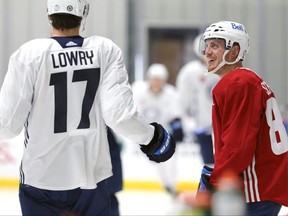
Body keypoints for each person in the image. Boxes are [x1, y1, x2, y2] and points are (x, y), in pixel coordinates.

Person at [0, 0, 176, 215]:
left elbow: (7, 125)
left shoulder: (28, 54)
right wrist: (152, 138)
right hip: (91, 178)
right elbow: (119, 116)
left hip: (41, 179)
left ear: (49, 14)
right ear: (83, 14)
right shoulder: (104, 50)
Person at [198, 20, 288, 215]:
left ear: (234, 51)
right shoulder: (244, 80)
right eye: (206, 45)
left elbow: (238, 145)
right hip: (262, 187)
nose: (207, 52)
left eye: (215, 45)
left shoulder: (237, 83)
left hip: (254, 188)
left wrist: (216, 181)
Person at [132, 63, 184, 196]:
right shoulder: (138, 90)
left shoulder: (171, 93)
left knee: (170, 162)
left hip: (164, 134)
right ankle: (166, 186)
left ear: (164, 80)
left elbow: (176, 112)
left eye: (159, 80)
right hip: (144, 134)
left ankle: (171, 186)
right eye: (153, 79)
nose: (156, 83)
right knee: (155, 165)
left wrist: (177, 126)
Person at [176, 34, 219, 167]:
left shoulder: (224, 69)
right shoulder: (190, 72)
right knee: (210, 165)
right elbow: (182, 100)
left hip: (225, 127)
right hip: (202, 126)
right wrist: (183, 121)